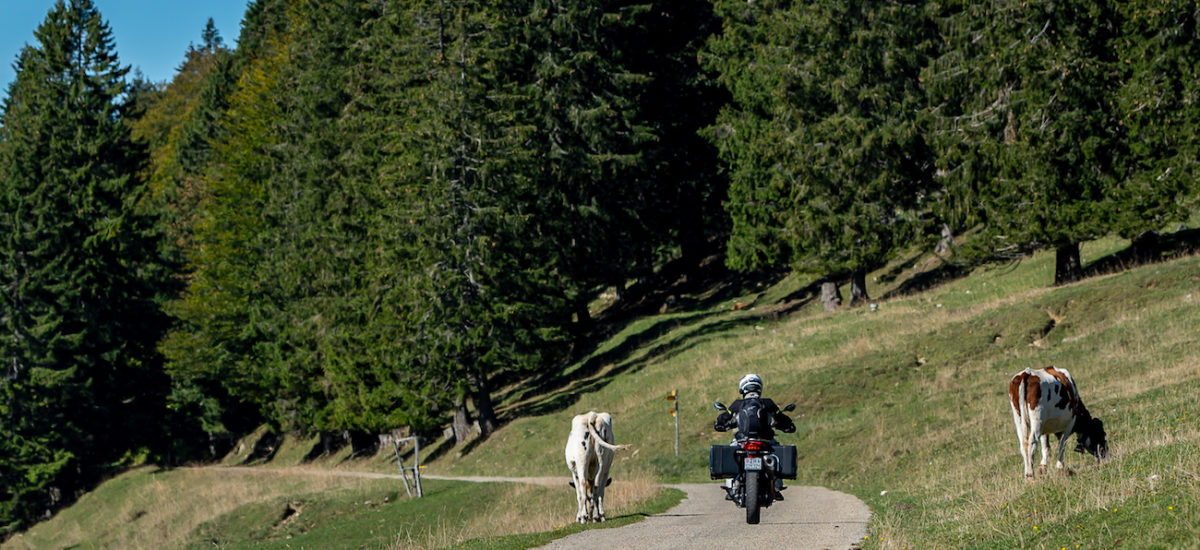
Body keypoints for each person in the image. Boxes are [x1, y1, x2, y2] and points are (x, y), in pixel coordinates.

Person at [713, 373, 796, 500]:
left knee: (731, 452)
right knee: (777, 453)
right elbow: (781, 418)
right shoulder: (768, 403)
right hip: (765, 441)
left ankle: (732, 487)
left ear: (742, 388)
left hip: (742, 441)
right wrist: (786, 425)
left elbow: (724, 418)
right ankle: (777, 486)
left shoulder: (737, 404)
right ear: (759, 387)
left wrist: (720, 424)